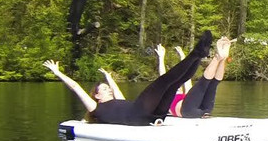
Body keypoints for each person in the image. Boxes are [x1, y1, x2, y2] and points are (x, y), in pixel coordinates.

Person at [43, 31, 214, 125]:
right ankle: (196, 54)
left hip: (154, 115)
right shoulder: (95, 108)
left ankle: (198, 56)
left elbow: (115, 88)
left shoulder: (118, 100)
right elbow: (75, 87)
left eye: (107, 87)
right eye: (103, 89)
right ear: (96, 96)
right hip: (138, 114)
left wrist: (109, 78)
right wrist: (58, 73)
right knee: (164, 81)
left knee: (174, 83)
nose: (108, 89)